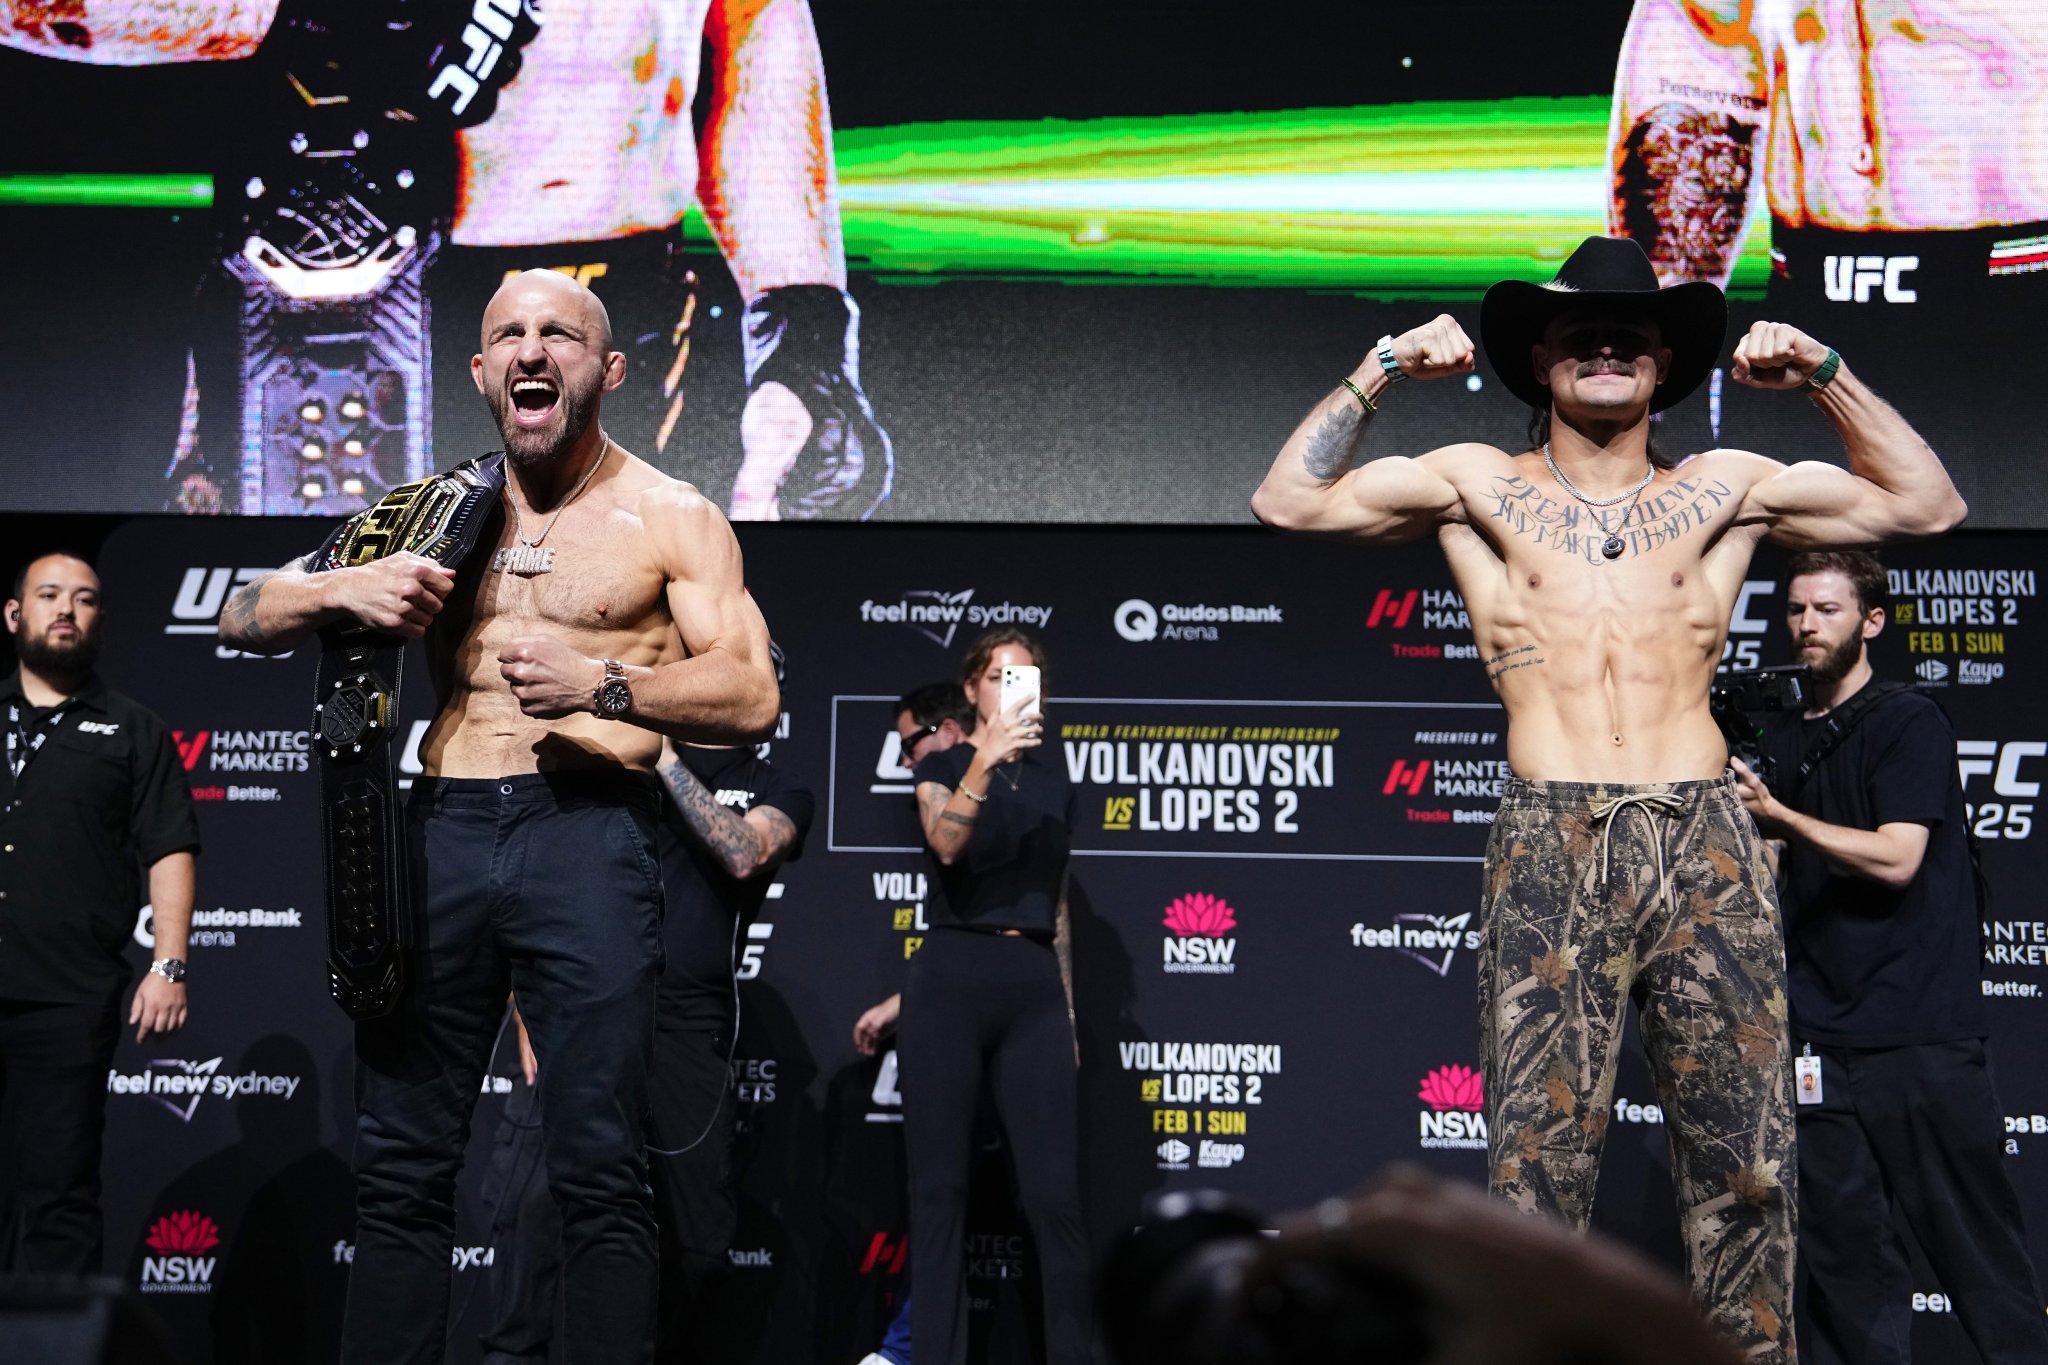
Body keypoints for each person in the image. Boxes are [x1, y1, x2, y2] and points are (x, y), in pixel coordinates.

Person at [1250, 232, 1965, 1362]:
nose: (1605, 349)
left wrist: (1823, 373)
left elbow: (1927, 507)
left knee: (1747, 1170)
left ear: (1661, 365)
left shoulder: (1726, 488)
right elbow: (1286, 503)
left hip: (1705, 837)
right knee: (1534, 1177)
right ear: (1541, 359)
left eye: (1629, 336)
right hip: (1552, 839)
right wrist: (1384, 366)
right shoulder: (1473, 482)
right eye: (1580, 333)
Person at [217, 268, 780, 1365]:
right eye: (509, 334)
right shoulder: (428, 513)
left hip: (590, 834)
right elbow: (243, 613)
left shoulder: (670, 514)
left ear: (608, 370)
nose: (532, 350)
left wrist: (605, 684)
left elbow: (751, 695)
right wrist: (341, 590)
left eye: (559, 333)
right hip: (441, 835)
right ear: (479, 371)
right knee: (401, 1166)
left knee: (599, 1168)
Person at [6, 0, 892, 521]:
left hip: (627, 307)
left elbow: (749, 22)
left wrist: (803, 336)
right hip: (352, 308)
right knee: (338, 701)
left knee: (597, 707)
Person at [1732, 551, 2048, 1365]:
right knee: (1846, 1266)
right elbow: (1772, 877)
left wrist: (1780, 816)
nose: (1807, 624)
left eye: (1827, 609)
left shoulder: (1909, 721)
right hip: (1819, 1040)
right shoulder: (1780, 737)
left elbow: (1898, 856)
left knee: (1978, 1254)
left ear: (1871, 621)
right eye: (1796, 608)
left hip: (1919, 1034)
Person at [1608, 0, 2048, 516]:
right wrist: (1659, 379)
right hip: (1803, 298)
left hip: (2008, 294)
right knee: (1782, 549)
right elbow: (1700, 64)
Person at [480, 722, 814, 1365]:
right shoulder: (611, 763)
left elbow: (745, 853)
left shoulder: (777, 785)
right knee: (533, 1215)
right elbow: (542, 883)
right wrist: (525, 1006)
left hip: (688, 1023)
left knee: (698, 1240)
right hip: (581, 1007)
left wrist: (664, 758)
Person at [0, 552, 199, 1275]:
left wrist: (168, 965)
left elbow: (169, 846)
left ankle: (57, 1335)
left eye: (83, 599)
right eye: (49, 594)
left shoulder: (134, 730)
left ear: (100, 620)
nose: (66, 609)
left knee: (59, 1194)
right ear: (14, 614)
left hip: (67, 997)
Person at [902, 632, 1093, 1365]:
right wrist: (985, 756)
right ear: (973, 688)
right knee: (939, 1191)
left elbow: (1058, 903)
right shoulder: (941, 764)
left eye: (1028, 676)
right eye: (1000, 676)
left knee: (1054, 1196)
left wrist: (1066, 1009)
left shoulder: (1055, 783)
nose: (1015, 687)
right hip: (951, 977)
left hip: (1032, 982)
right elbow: (946, 844)